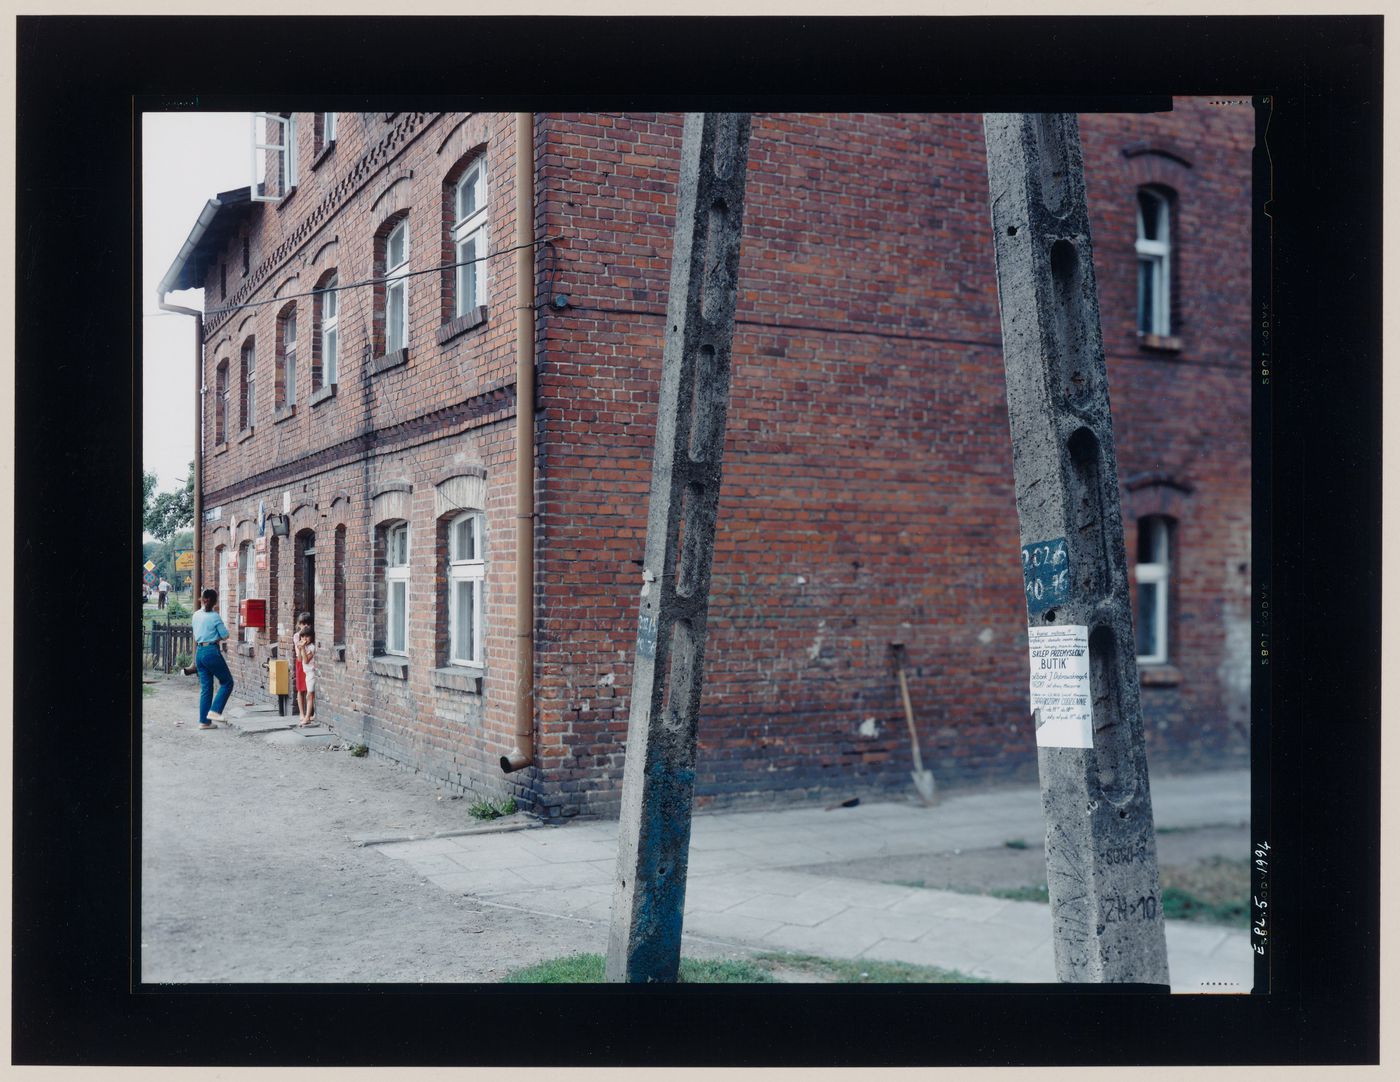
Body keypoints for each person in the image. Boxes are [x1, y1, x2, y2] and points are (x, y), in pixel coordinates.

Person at [192, 588, 234, 729]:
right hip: (211, 651)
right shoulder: (214, 616)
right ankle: (215, 711)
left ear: (202, 599)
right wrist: (217, 636)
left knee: (206, 688)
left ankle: (204, 722)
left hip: (199, 652)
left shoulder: (196, 615)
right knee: (227, 682)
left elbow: (196, 634)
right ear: (215, 601)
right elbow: (225, 635)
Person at [292, 611, 312, 723]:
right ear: (299, 624)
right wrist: (301, 647)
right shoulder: (297, 636)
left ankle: (310, 713)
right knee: (300, 689)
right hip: (300, 663)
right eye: (303, 624)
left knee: (310, 689)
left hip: (310, 663)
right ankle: (301, 712)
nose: (306, 626)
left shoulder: (312, 635)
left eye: (308, 624)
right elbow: (299, 656)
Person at [297, 625, 318, 727]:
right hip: (307, 673)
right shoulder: (304, 647)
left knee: (309, 695)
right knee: (310, 695)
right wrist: (300, 649)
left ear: (312, 637)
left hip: (312, 673)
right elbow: (300, 660)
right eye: (302, 636)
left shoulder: (312, 647)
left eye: (307, 636)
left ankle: (307, 717)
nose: (304, 639)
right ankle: (310, 715)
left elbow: (306, 660)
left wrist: (303, 649)